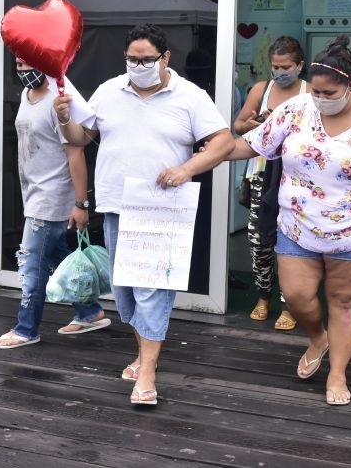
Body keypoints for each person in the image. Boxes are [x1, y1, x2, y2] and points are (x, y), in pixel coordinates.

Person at [224, 35, 351, 406]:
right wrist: (207, 154)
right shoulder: (298, 109)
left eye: (327, 91)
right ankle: (318, 337)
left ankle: (337, 372)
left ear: (350, 84)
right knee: (299, 296)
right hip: (297, 225)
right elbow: (253, 143)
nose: (319, 97)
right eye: (315, 90)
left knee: (345, 300)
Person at [54, 24, 235, 406]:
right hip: (117, 203)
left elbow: (223, 142)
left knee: (152, 287)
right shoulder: (108, 90)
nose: (138, 66)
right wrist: (64, 117)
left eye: (146, 60)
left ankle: (148, 373)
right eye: (132, 59)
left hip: (163, 208)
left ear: (165, 57)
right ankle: (142, 354)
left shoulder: (189, 95)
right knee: (126, 293)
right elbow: (79, 138)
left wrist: (187, 169)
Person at [0, 58, 111, 350]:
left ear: (44, 61)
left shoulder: (60, 101)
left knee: (32, 266)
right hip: (33, 193)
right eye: (17, 63)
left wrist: (81, 203)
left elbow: (76, 153)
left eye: (28, 62)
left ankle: (26, 327)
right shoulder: (26, 95)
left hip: (52, 196)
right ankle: (89, 312)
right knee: (56, 257)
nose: (22, 69)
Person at [233, 36, 310, 330]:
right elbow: (239, 125)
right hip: (262, 175)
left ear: (300, 65)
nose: (280, 72)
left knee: (292, 241)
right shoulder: (261, 89)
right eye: (275, 66)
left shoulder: (308, 91)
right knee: (259, 240)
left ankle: (290, 304)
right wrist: (255, 124)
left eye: (286, 66)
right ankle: (264, 296)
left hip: (298, 178)